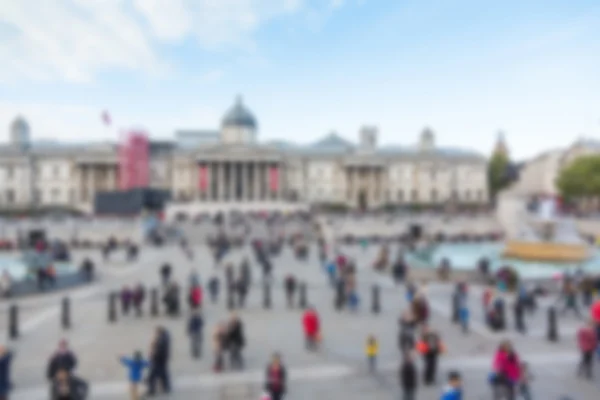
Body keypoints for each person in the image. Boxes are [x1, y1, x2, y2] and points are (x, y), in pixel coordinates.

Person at [147, 327, 171, 396]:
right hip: (163, 360)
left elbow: (157, 352)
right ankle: (166, 387)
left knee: (152, 376)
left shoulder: (161, 341)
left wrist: (152, 355)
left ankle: (151, 391)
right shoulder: (165, 338)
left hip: (158, 360)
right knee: (163, 374)